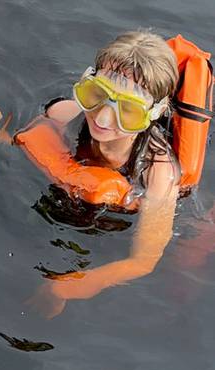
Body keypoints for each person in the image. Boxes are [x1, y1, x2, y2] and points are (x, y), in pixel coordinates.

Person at [15, 30, 193, 318]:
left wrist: (67, 288)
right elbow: (13, 137)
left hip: (111, 229)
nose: (103, 117)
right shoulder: (65, 114)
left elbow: (143, 261)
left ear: (154, 113)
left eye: (128, 111)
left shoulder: (158, 174)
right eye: (97, 95)